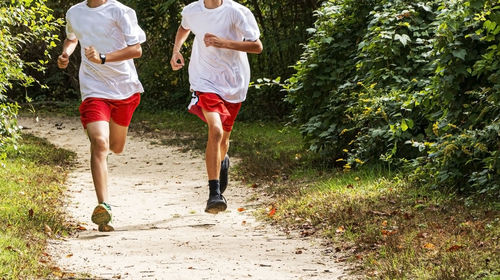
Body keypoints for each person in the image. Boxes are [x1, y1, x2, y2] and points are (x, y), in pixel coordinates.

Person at [57, 0, 146, 231]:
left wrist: (103, 57)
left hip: (124, 89)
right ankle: (103, 207)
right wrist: (66, 53)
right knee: (99, 143)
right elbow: (72, 37)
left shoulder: (120, 11)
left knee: (115, 147)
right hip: (94, 88)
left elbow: (136, 49)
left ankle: (104, 202)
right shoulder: (74, 12)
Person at [170, 0, 263, 214]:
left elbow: (256, 46)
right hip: (204, 80)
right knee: (216, 129)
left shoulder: (237, 12)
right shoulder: (192, 10)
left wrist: (224, 43)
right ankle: (214, 194)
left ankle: (222, 162)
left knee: (224, 140)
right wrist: (176, 50)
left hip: (233, 83)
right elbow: (184, 27)